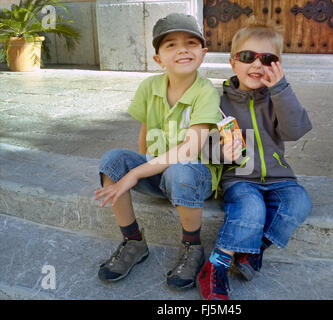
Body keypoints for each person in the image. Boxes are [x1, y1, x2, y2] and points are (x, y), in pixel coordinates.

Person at [94, 13, 222, 291]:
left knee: (181, 169)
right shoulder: (149, 86)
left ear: (203, 53)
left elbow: (189, 150)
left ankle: (193, 247)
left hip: (193, 179)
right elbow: (145, 130)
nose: (182, 50)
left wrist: (136, 174)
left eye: (191, 43)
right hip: (158, 172)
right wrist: (141, 167)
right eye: (171, 45)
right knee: (112, 160)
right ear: (158, 58)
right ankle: (133, 241)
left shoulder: (206, 92)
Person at [197, 24, 313, 300]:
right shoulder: (216, 101)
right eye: (248, 57)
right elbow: (202, 147)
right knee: (251, 209)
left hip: (279, 177)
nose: (257, 65)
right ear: (233, 61)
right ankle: (217, 264)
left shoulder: (278, 97)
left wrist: (281, 89)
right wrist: (222, 154)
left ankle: (252, 250)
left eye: (268, 59)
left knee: (299, 203)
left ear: (278, 65)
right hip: (239, 177)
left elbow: (295, 131)